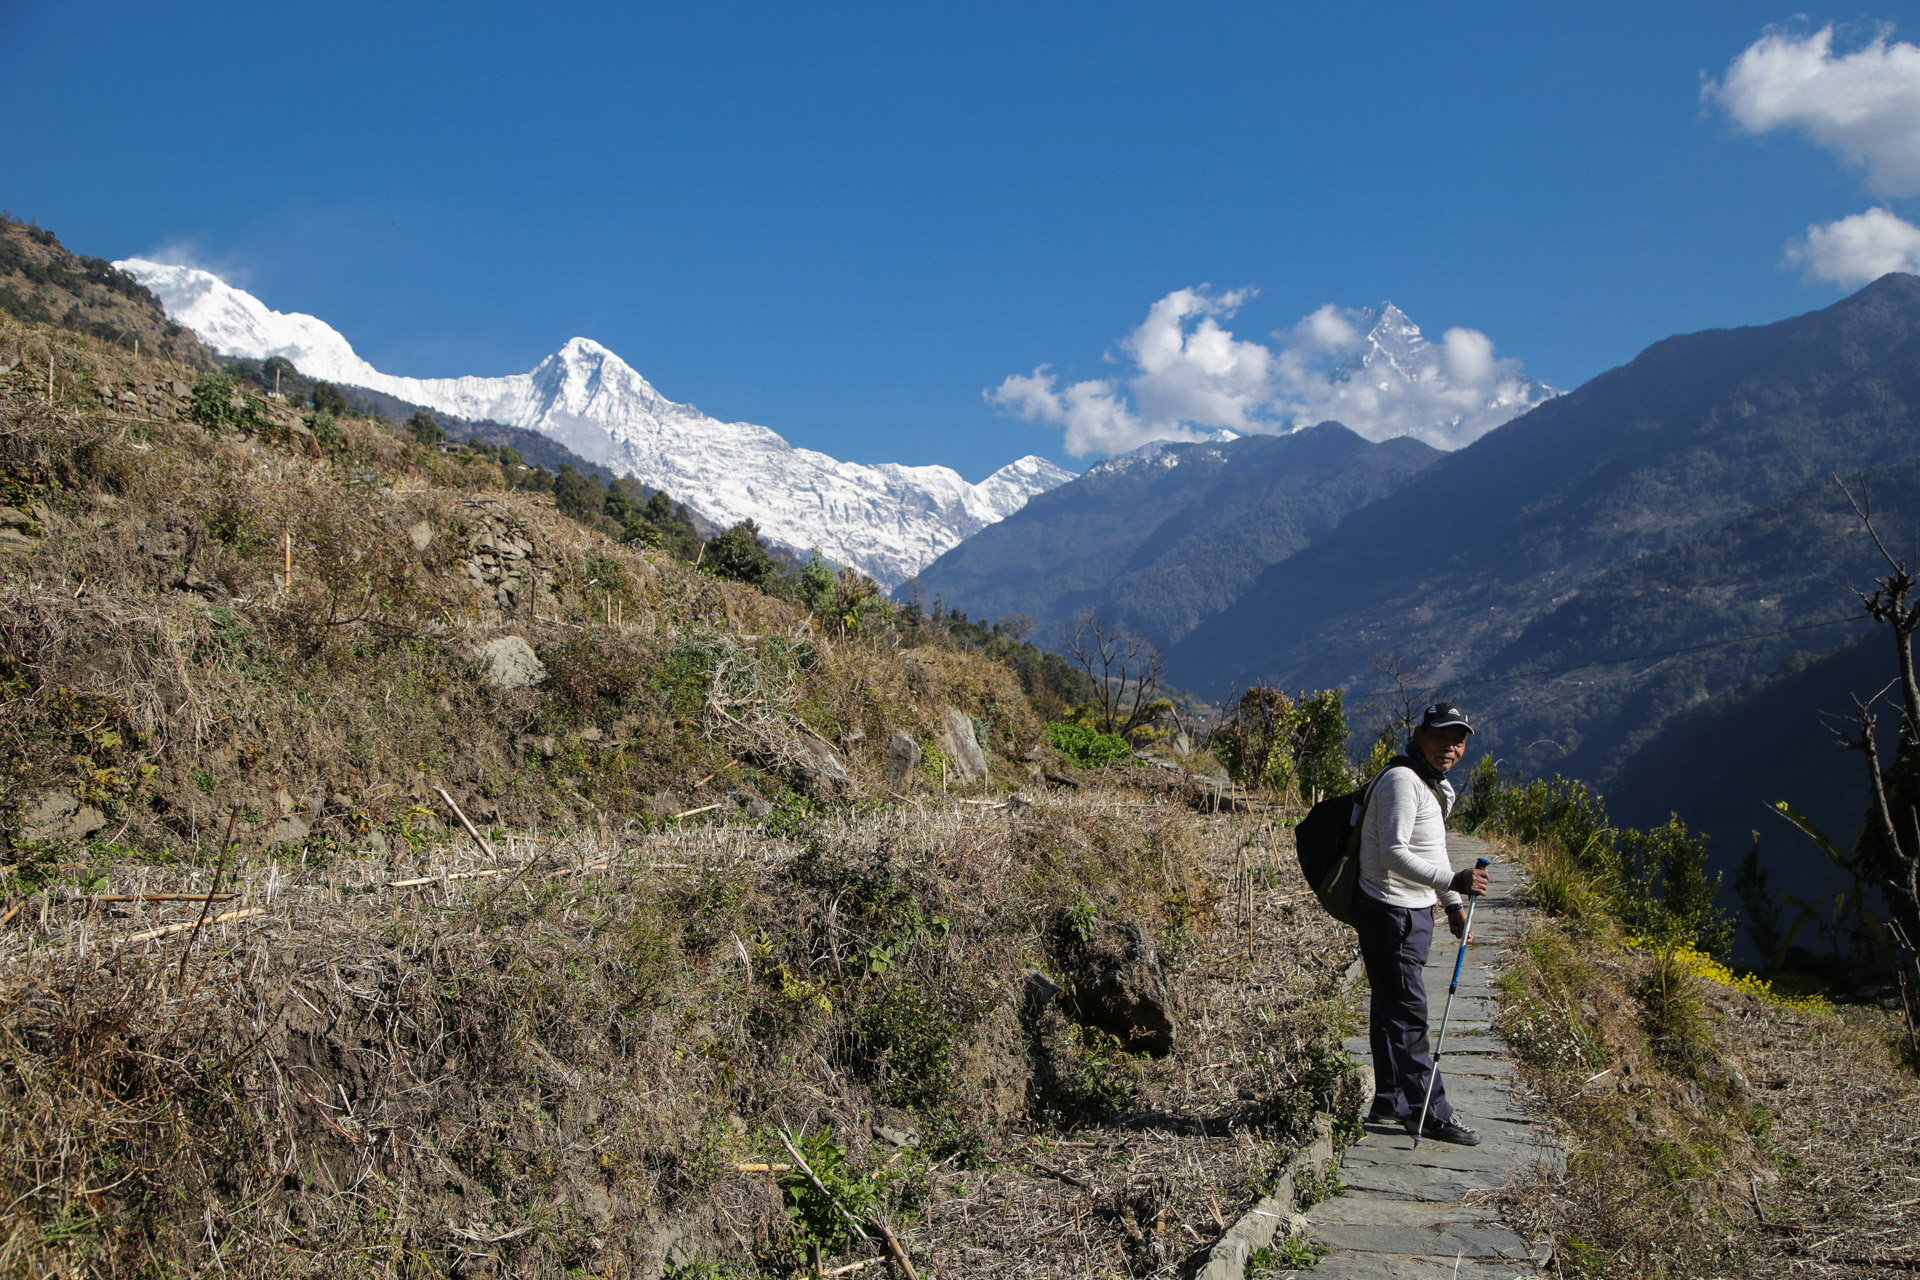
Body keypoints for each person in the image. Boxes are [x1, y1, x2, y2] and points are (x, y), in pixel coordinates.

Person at [1353, 701, 1490, 1145]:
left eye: (1458, 739)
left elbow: (1431, 852)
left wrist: (1451, 903)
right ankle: (1430, 1110)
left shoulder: (1433, 785)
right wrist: (1454, 881)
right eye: (1440, 737)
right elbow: (1394, 852)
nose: (1450, 746)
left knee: (1391, 1006)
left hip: (1411, 911)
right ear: (1418, 736)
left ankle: (1390, 1098)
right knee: (1410, 1013)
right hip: (1391, 912)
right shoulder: (1401, 781)